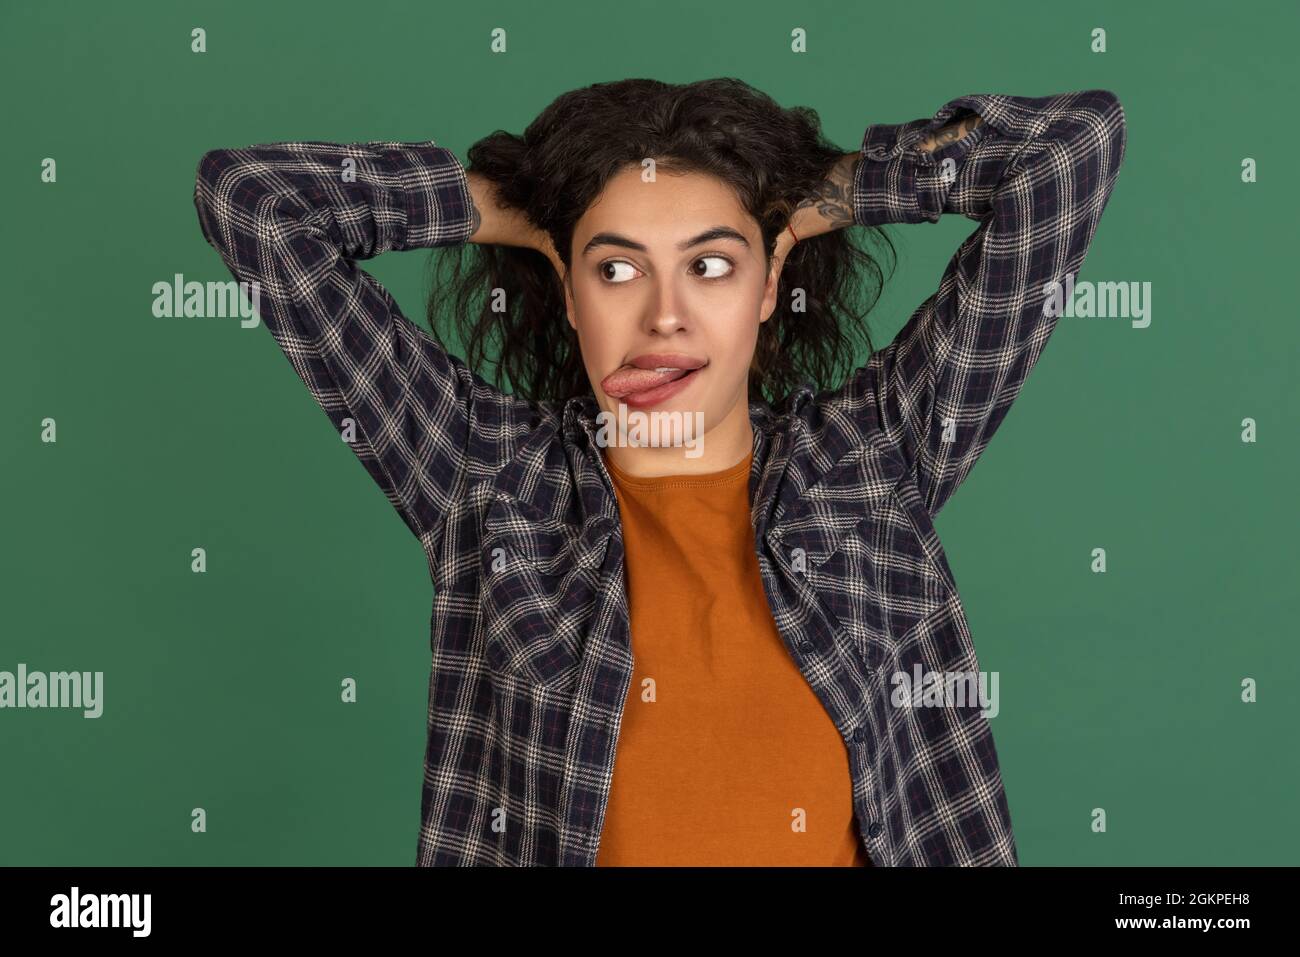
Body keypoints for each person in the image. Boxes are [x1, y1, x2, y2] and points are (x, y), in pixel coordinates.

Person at [192, 78, 1127, 866]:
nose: (665, 317)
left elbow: (1068, 153)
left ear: (770, 285)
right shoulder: (487, 483)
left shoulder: (872, 463)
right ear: (565, 289)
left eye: (712, 266)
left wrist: (818, 193)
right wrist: (535, 208)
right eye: (617, 270)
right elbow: (253, 201)